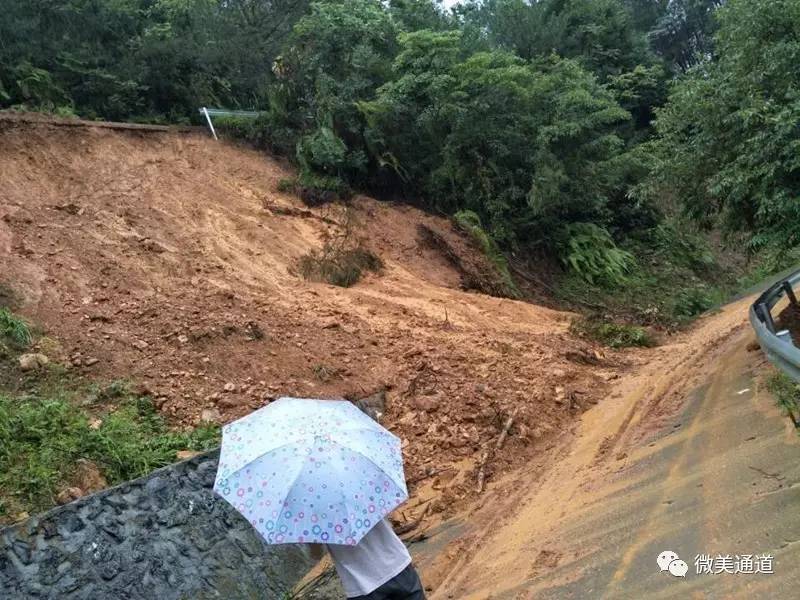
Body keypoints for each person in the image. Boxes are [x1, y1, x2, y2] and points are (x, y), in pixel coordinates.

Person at [310, 518, 426, 599]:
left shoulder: (313, 518)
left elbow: (316, 555)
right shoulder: (362, 488)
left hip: (362, 585)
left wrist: (313, 540)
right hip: (397, 566)